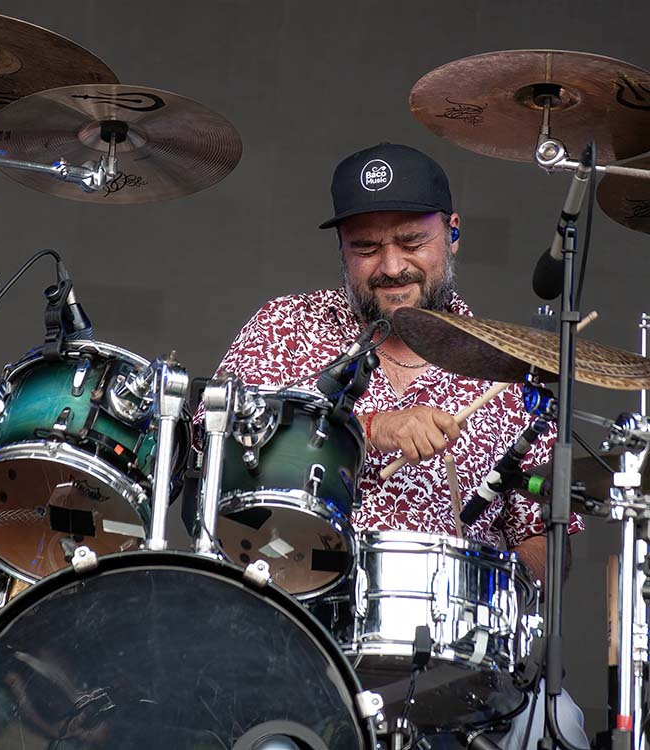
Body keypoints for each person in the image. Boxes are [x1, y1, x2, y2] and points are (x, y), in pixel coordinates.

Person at [211, 142, 587, 748]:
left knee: (558, 722)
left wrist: (495, 594)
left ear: (452, 233)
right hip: (299, 636)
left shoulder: (507, 369)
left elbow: (544, 537)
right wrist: (370, 428)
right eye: (366, 247)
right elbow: (215, 454)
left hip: (460, 663)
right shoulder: (283, 329)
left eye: (412, 242)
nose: (391, 266)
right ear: (342, 250)